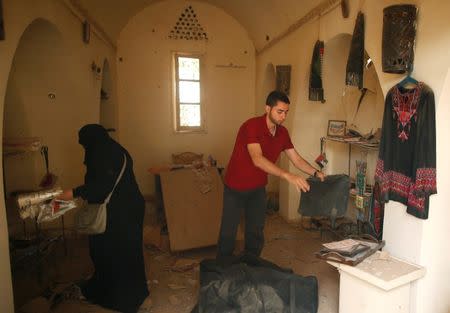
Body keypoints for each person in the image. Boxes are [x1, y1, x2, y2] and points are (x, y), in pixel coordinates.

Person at [217, 90, 325, 258]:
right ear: (268, 109)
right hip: (236, 186)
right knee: (228, 232)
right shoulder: (251, 126)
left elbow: (295, 159)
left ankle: (251, 264)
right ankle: (221, 272)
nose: (283, 116)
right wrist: (288, 176)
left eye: (286, 112)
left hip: (258, 188)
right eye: (279, 111)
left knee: (256, 231)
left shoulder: (282, 133)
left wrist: (316, 172)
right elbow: (257, 159)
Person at [57, 124, 149, 313]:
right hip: (130, 208)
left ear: (92, 142)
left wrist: (73, 193)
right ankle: (135, 293)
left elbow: (100, 187)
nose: (85, 150)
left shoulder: (100, 154)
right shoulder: (116, 149)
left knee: (108, 253)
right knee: (129, 253)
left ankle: (116, 298)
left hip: (118, 213)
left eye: (85, 145)